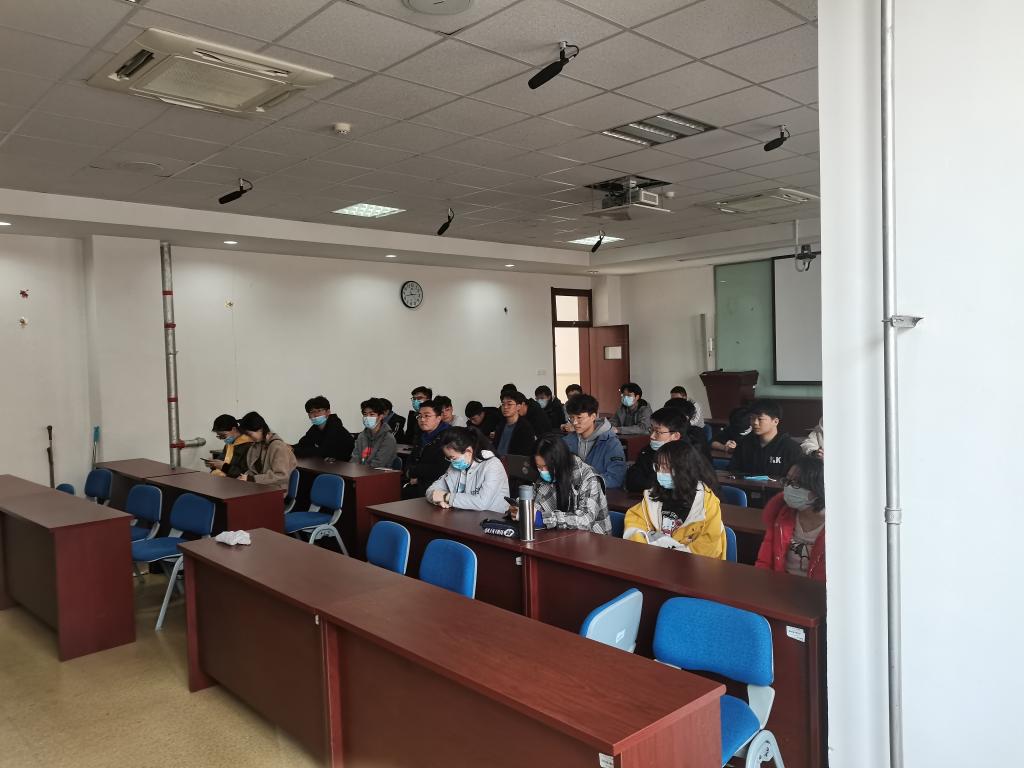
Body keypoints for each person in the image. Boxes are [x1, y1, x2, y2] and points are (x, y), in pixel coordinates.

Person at [623, 441, 726, 559]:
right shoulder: (653, 495)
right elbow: (634, 523)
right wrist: (648, 549)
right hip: (654, 560)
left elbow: (708, 546)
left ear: (684, 469)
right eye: (658, 466)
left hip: (691, 565)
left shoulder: (706, 503)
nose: (660, 472)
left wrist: (669, 552)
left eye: (665, 467)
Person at [756, 455, 826, 580]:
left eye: (796, 483)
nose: (788, 488)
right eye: (787, 481)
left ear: (817, 489)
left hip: (818, 590)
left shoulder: (839, 528)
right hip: (782, 584)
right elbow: (764, 561)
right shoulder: (781, 516)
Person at [529, 434, 611, 533]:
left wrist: (543, 519)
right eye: (539, 467)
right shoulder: (545, 477)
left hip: (593, 538)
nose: (543, 471)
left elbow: (586, 520)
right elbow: (535, 505)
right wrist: (523, 510)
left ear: (560, 461)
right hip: (561, 535)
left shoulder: (589, 477)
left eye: (546, 466)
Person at [425, 428, 509, 514]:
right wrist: (438, 500)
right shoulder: (455, 465)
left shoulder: (492, 465)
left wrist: (446, 497)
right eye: (449, 458)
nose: (451, 461)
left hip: (491, 518)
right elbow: (431, 490)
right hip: (463, 516)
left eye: (453, 457)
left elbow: (482, 503)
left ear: (468, 451)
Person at [625, 407, 709, 492]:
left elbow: (684, 486)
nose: (652, 436)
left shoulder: (690, 456)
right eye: (651, 430)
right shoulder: (647, 450)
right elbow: (632, 480)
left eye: (658, 432)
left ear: (675, 436)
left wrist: (651, 484)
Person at [562, 394, 626, 489]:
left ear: (593, 417)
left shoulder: (611, 443)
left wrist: (585, 483)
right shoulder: (567, 441)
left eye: (579, 418)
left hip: (600, 494)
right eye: (571, 418)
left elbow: (615, 478)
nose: (574, 423)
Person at [728, 399, 803, 478]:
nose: (755, 422)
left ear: (775, 421)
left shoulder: (792, 449)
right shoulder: (744, 443)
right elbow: (733, 471)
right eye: (752, 418)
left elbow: (796, 479)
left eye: (760, 419)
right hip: (746, 485)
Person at [401, 399, 450, 499]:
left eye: (427, 416)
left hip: (436, 488)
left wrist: (416, 475)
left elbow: (441, 469)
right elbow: (411, 460)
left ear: (439, 418)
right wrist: (410, 473)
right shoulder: (421, 436)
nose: (422, 419)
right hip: (417, 484)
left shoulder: (448, 438)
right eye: (420, 416)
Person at [238, 411, 297, 488]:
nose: (248, 438)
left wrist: (251, 479)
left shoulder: (279, 447)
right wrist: (243, 477)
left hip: (276, 490)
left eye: (249, 434)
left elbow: (281, 476)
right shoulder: (255, 446)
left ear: (260, 429)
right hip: (259, 487)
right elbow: (253, 471)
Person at [293, 395, 354, 461]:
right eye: (312, 412)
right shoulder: (315, 428)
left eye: (319, 410)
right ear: (309, 415)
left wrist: (296, 450)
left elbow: (323, 452)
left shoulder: (335, 427)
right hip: (326, 463)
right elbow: (302, 444)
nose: (315, 414)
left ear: (328, 412)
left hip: (344, 464)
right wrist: (291, 448)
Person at [351, 397, 398, 469]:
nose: (367, 417)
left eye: (372, 414)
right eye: (365, 414)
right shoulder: (362, 436)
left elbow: (378, 464)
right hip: (360, 473)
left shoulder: (388, 438)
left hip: (379, 474)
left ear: (381, 416)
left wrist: (360, 471)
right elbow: (355, 459)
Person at [205, 414, 252, 478]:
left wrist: (224, 467)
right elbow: (221, 461)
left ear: (234, 429)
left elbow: (244, 473)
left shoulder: (249, 445)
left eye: (223, 435)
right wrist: (213, 464)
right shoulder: (229, 443)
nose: (223, 439)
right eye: (219, 436)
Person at [492, 391, 537, 457]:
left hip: (514, 462)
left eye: (509, 404)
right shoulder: (500, 425)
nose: (505, 407)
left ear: (518, 406)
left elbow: (525, 454)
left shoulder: (525, 427)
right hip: (496, 461)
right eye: (503, 404)